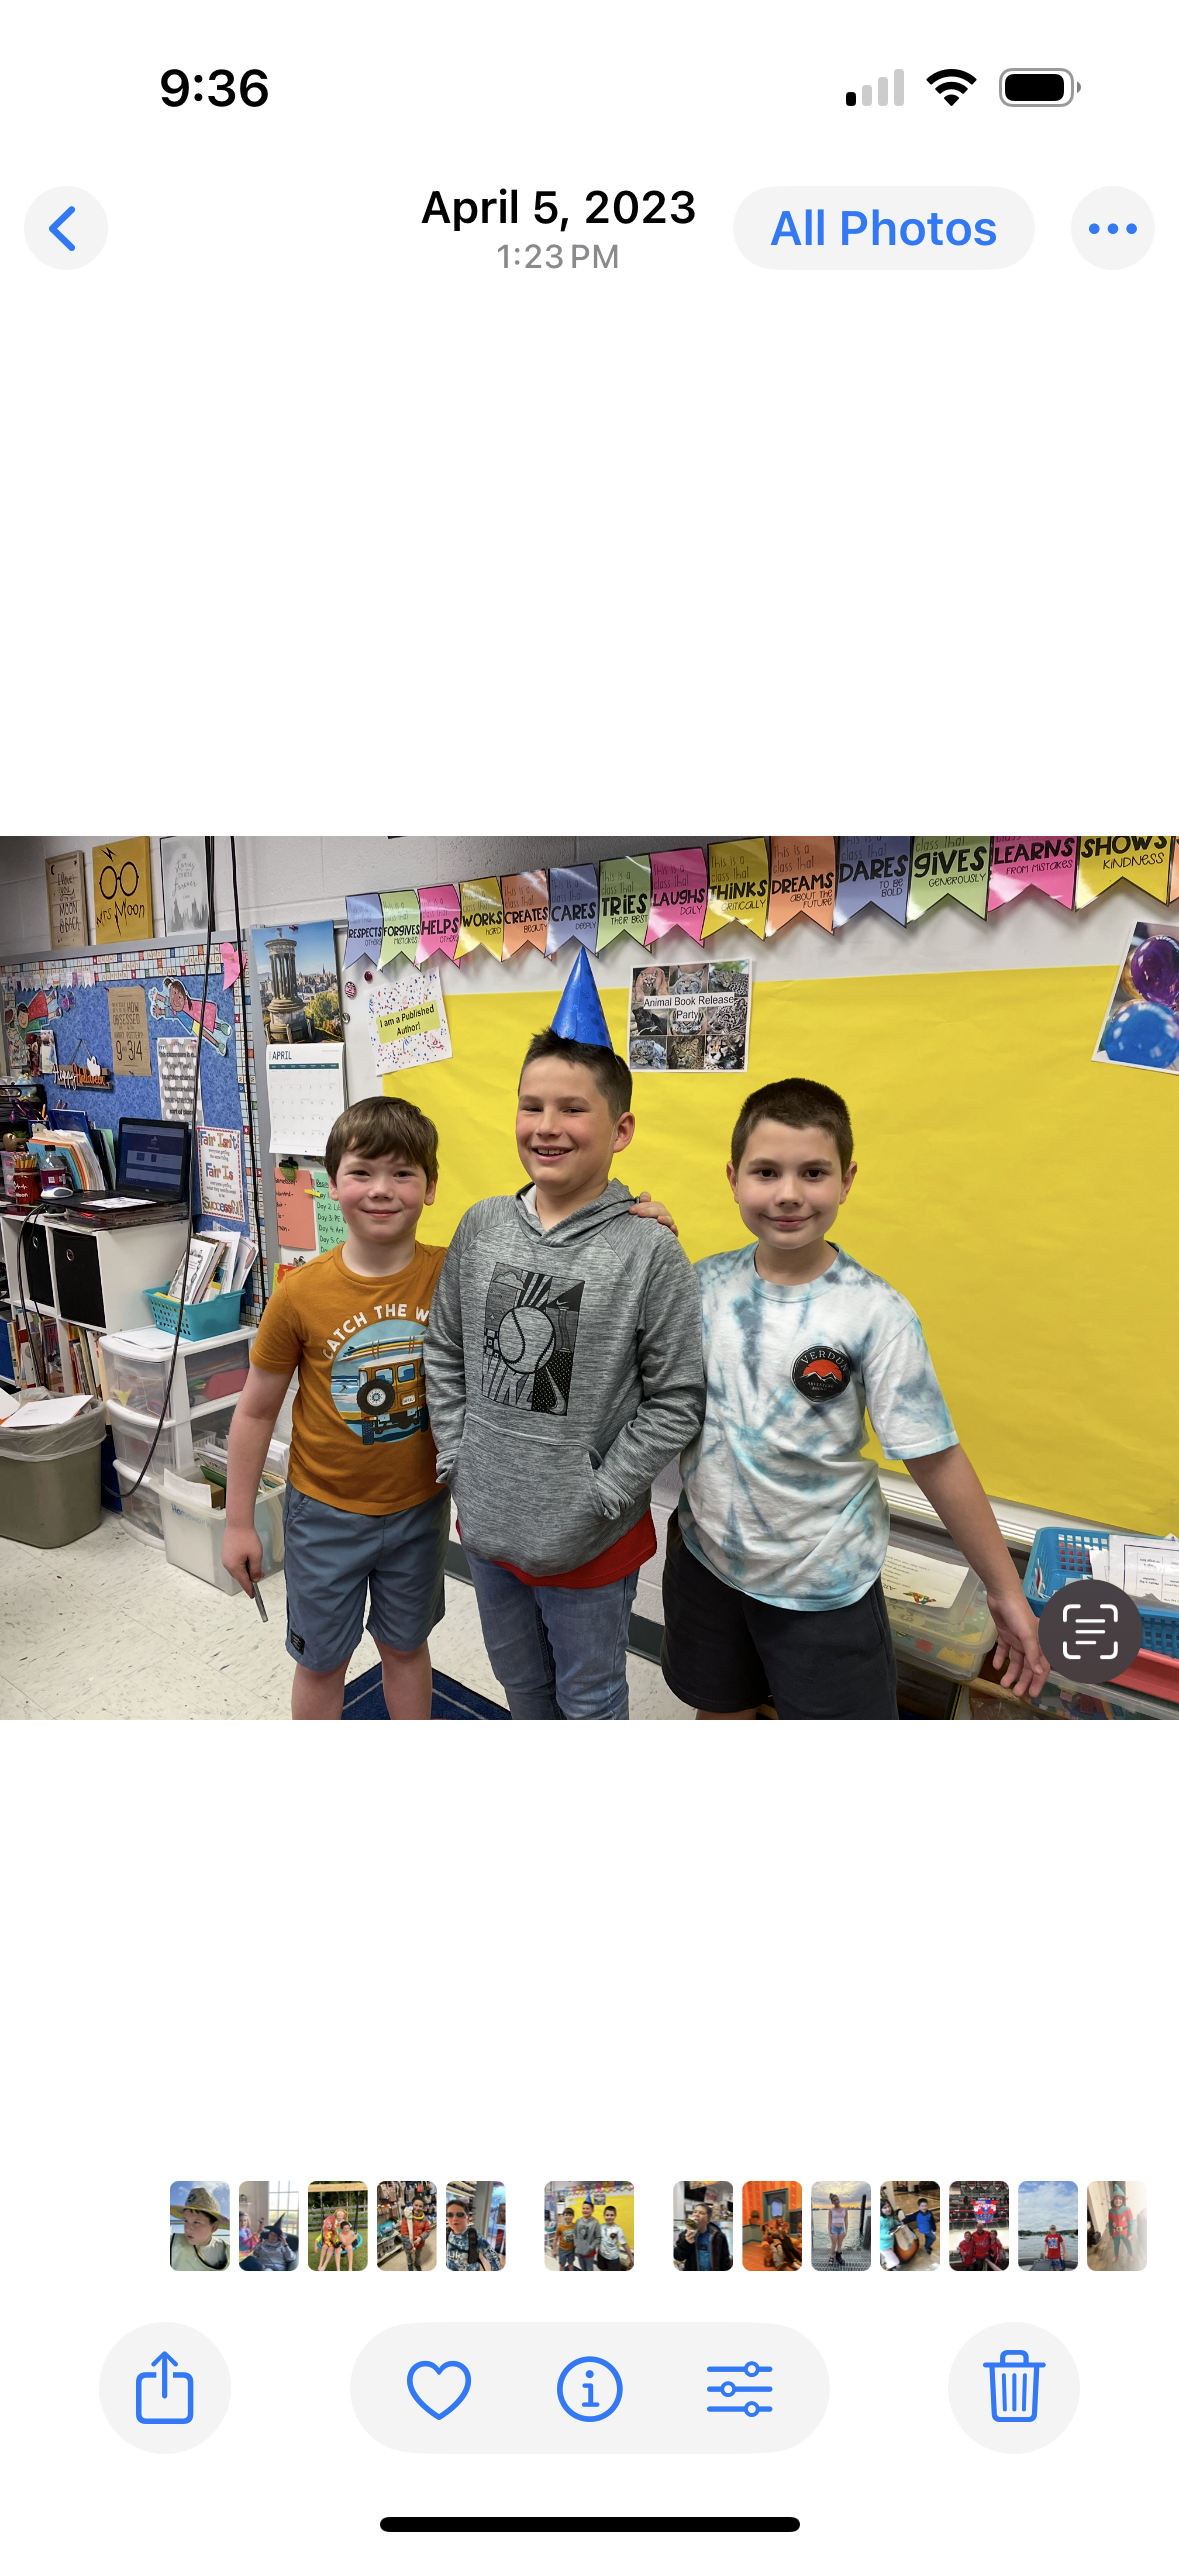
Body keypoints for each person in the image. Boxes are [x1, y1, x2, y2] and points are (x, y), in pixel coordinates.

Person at [660, 1079, 1049, 1718]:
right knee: (720, 1711)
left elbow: (936, 1458)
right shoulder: (700, 1285)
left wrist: (1004, 1587)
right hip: (708, 1565)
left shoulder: (876, 1313)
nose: (789, 1193)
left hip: (825, 1586)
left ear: (847, 1179)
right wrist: (638, 1240)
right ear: (733, 1178)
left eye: (813, 1172)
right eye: (766, 1172)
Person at [424, 950, 705, 1720]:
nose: (546, 1127)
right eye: (531, 1105)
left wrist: (603, 1491)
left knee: (588, 1699)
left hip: (589, 1537)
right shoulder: (481, 1227)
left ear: (619, 1129)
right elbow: (443, 1349)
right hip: (486, 1525)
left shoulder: (649, 1249)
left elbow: (677, 1397)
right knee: (522, 1691)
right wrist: (457, 1454)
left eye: (572, 1109)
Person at [222, 1096, 451, 1720]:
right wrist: (239, 1521)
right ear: (332, 1183)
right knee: (321, 1661)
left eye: (403, 1173)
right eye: (362, 1172)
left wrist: (628, 1219)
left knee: (406, 1648)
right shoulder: (301, 1294)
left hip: (420, 1511)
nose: (382, 1190)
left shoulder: (452, 1273)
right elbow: (254, 1411)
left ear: (430, 1187)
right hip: (323, 1517)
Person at [169, 2187, 230, 2270]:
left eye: (196, 2222)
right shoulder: (173, 2245)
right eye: (185, 2221)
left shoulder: (226, 2250)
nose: (187, 2229)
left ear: (214, 2227)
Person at [445, 2197, 502, 2270]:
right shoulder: (447, 2233)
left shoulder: (475, 2237)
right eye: (450, 2214)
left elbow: (494, 2259)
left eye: (460, 2214)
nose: (454, 2218)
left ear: (468, 2218)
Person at [675, 2201, 731, 2270]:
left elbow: (725, 2260)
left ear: (708, 2220)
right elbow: (678, 2257)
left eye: (701, 2213)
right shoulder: (684, 2235)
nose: (696, 2214)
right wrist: (685, 2243)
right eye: (695, 2212)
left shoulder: (719, 2236)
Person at [597, 2202, 632, 2269]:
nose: (609, 2217)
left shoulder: (618, 2229)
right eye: (607, 2215)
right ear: (604, 2215)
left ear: (615, 2215)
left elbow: (624, 2244)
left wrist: (631, 2257)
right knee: (603, 2269)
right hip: (601, 2255)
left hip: (612, 2258)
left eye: (612, 2215)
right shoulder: (600, 2226)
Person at [573, 2198, 602, 2271]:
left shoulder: (595, 2222)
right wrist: (576, 2243)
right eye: (583, 2208)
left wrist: (591, 2247)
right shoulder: (578, 2221)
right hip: (579, 2250)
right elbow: (575, 2233)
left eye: (587, 2209)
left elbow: (598, 2237)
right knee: (582, 2267)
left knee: (589, 2269)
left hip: (589, 2252)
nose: (585, 2210)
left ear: (592, 2211)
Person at [1109, 2194, 1134, 2262]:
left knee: (1128, 2244)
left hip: (1125, 2232)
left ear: (1123, 2200)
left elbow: (1131, 2222)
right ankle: (1116, 2255)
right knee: (1116, 2244)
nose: (1118, 2200)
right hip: (1115, 2232)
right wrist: (1110, 2234)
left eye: (1120, 2198)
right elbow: (1110, 2223)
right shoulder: (1110, 2211)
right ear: (1113, 2200)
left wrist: (1131, 2234)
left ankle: (1130, 2254)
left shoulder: (1127, 2209)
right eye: (1116, 2198)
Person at [317, 2205, 342, 2270]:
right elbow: (321, 2234)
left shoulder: (336, 2228)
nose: (339, 2217)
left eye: (341, 2216)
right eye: (338, 2216)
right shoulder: (326, 2230)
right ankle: (320, 2264)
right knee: (324, 2247)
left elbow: (338, 2235)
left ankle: (324, 2265)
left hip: (333, 2245)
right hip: (326, 2243)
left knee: (330, 2249)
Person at [826, 2195, 848, 2259]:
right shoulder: (831, 2210)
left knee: (840, 2244)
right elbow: (829, 2222)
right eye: (834, 2201)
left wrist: (846, 2230)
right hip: (834, 2228)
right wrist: (829, 2232)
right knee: (833, 2245)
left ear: (839, 2199)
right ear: (832, 2202)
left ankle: (838, 2256)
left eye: (837, 2199)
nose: (836, 2201)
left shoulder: (845, 2209)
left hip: (841, 2229)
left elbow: (846, 2221)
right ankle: (832, 2256)